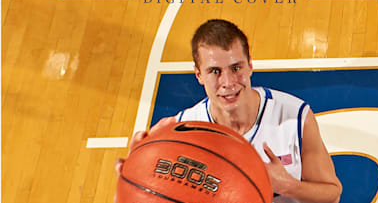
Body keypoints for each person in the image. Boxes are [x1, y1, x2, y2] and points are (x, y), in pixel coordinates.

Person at [115, 19, 342, 203]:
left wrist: (287, 185)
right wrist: (136, 175)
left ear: (250, 64)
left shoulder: (294, 116)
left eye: (236, 68)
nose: (228, 82)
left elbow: (332, 193)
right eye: (214, 71)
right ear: (198, 75)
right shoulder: (183, 130)